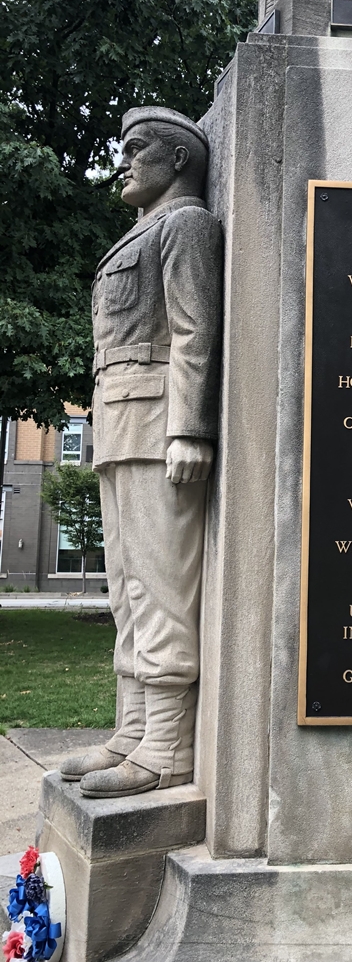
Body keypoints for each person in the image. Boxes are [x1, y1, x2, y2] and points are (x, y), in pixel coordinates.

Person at [59, 107, 222, 797]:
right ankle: (132, 730)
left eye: (137, 149)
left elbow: (194, 330)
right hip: (121, 425)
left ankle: (166, 747)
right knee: (126, 589)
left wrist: (189, 427)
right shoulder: (141, 230)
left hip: (159, 425)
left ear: (179, 159)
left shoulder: (185, 225)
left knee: (160, 588)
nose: (124, 161)